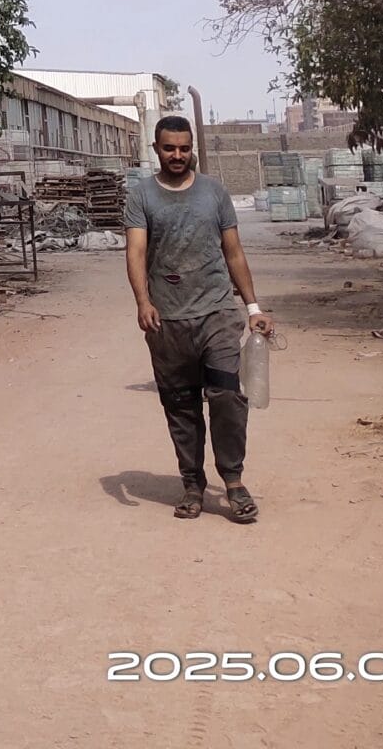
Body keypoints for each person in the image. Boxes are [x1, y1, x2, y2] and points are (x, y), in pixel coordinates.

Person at [124, 114, 275, 523]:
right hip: (167, 320)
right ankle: (192, 484)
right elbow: (136, 252)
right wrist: (143, 301)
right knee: (181, 406)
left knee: (227, 396)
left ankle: (234, 482)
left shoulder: (214, 193)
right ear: (156, 149)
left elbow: (234, 253)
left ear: (193, 150)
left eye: (185, 148)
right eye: (170, 148)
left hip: (217, 314)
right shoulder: (142, 196)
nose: (178, 155)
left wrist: (253, 308)